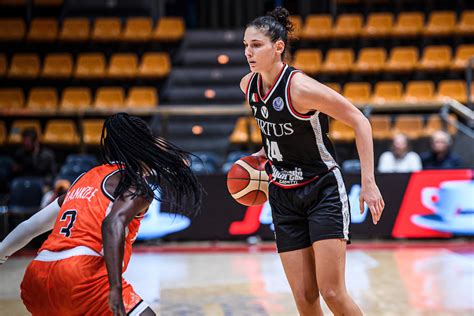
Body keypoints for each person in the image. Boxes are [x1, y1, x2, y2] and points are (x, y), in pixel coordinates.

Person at [240, 7, 384, 315]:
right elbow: (277, 132)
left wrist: (368, 183)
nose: (248, 52)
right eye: (245, 46)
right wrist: (263, 154)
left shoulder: (301, 88)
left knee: (331, 291)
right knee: (305, 298)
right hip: (282, 195)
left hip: (322, 191)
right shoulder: (248, 86)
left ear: (278, 47)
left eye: (256, 45)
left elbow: (360, 121)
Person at [0, 113, 202, 316]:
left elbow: (30, 227)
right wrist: (115, 287)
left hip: (36, 278)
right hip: (82, 274)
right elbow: (112, 223)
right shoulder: (135, 186)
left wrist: (1, 253)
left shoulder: (83, 179)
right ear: (140, 147)